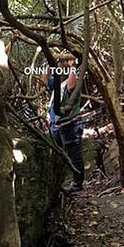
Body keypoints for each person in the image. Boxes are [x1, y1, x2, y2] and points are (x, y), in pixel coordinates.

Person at [44, 54, 85, 193]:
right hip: (57, 126)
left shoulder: (73, 81)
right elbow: (43, 80)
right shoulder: (57, 84)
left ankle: (78, 183)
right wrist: (50, 63)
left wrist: (73, 66)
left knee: (74, 155)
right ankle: (60, 181)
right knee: (58, 153)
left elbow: (72, 87)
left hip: (70, 124)